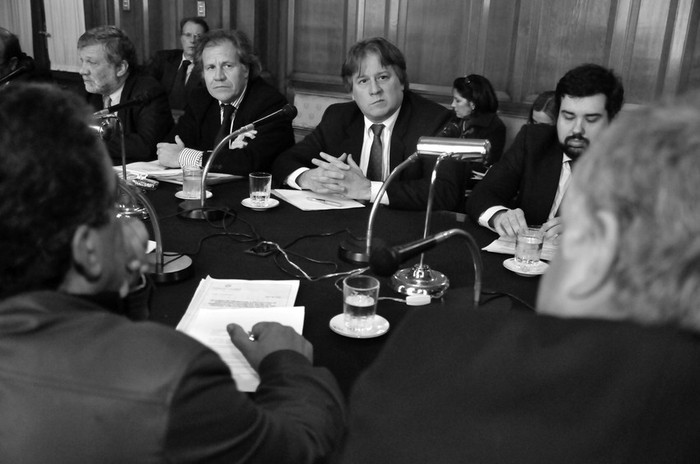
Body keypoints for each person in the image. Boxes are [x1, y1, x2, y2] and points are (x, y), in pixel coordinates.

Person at [337, 92, 700, 463]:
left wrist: (293, 372)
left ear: (599, 241)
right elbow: (482, 196)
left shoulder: (434, 352)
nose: (577, 128)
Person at [0, 83, 344, 463]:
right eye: (112, 209)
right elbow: (299, 446)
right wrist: (287, 363)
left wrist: (121, 283)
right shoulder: (168, 375)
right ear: (87, 250)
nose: (127, 222)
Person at [271, 37, 459, 211]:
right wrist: (307, 178)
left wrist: (368, 190)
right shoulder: (339, 117)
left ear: (402, 82)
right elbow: (284, 161)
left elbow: (446, 191)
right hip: (346, 225)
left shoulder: (435, 121)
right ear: (352, 92)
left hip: (407, 230)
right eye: (363, 81)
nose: (374, 90)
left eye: (383, 77)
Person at [465, 63, 624, 238]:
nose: (577, 130)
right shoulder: (534, 141)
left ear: (612, 121)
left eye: (591, 119)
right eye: (568, 117)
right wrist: (500, 216)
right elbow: (482, 194)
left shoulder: (632, 162)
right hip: (525, 260)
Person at [157, 29, 294, 176]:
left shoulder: (270, 103)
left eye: (227, 66)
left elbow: (250, 162)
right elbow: (170, 147)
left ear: (245, 69)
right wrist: (226, 156)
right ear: (203, 73)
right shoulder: (201, 99)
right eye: (210, 67)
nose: (218, 76)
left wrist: (185, 157)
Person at [79, 25, 173, 164]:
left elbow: (145, 146)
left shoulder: (147, 92)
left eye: (91, 63)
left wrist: (86, 142)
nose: (82, 71)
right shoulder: (86, 92)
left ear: (121, 68)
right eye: (82, 61)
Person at [437, 74, 506, 166]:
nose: (452, 105)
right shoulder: (454, 118)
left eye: (458, 101)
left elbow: (484, 165)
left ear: (473, 104)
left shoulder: (495, 128)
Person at [145, 17, 209, 112]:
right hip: (160, 116)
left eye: (198, 36)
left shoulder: (209, 66)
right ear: (181, 38)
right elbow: (146, 87)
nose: (192, 40)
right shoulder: (163, 59)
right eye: (188, 35)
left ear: (205, 40)